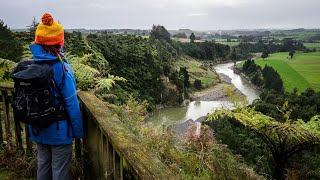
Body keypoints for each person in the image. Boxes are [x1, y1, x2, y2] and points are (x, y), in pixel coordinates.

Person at [29, 13, 83, 180]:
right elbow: (71, 102)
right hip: (59, 130)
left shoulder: (31, 64)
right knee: (59, 171)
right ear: (60, 42)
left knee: (43, 165)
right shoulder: (62, 68)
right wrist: (78, 132)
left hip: (38, 127)